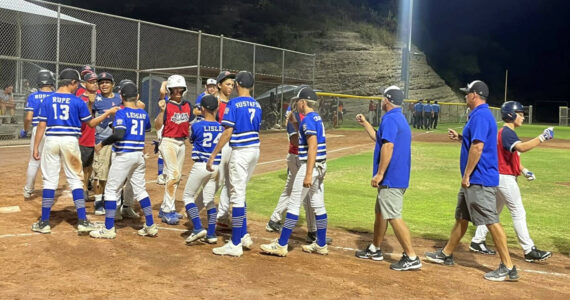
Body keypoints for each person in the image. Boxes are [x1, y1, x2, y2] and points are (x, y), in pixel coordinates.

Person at [425, 80, 519, 282]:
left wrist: (467, 175)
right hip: (474, 179)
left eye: (467, 93)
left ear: (475, 95)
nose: (465, 96)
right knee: (462, 217)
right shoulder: (478, 115)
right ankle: (446, 254)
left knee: (491, 221)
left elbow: (478, 148)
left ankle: (508, 266)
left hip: (479, 179)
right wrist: (461, 137)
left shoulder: (481, 115)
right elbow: (475, 141)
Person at [30, 68, 118, 234]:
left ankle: (44, 222)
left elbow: (41, 126)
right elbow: (91, 124)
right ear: (71, 83)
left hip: (51, 141)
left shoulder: (47, 100)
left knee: (49, 180)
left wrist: (36, 147)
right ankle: (83, 221)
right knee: (76, 180)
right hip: (70, 142)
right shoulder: (77, 101)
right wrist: (108, 113)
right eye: (76, 83)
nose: (77, 86)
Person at [469, 101, 553, 262]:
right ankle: (529, 250)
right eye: (520, 114)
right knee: (518, 212)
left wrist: (524, 170)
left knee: (493, 212)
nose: (522, 117)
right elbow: (521, 148)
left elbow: (511, 156)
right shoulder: (507, 132)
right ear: (511, 115)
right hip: (505, 178)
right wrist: (542, 137)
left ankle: (477, 241)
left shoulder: (504, 132)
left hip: (500, 176)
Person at [353, 86, 422, 271]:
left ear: (386, 100)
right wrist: (366, 123)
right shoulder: (398, 118)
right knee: (381, 213)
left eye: (383, 98)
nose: (381, 101)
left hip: (391, 178)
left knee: (393, 216)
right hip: (396, 177)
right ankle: (375, 248)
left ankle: (412, 256)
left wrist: (380, 174)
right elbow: (380, 138)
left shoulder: (390, 119)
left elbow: (388, 147)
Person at [260, 86, 329, 257]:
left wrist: (307, 174)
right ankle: (320, 244)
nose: (296, 104)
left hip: (310, 167)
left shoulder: (308, 120)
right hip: (320, 166)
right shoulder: (316, 118)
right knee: (318, 204)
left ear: (303, 102)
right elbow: (306, 139)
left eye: (298, 101)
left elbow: (312, 146)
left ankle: (281, 244)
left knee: (294, 203)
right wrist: (294, 123)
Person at [89, 82, 158, 239]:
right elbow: (147, 127)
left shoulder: (121, 112)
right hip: (138, 156)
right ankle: (150, 225)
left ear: (121, 97)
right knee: (140, 190)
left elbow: (119, 134)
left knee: (111, 190)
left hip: (124, 155)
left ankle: (108, 229)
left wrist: (102, 143)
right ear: (137, 97)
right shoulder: (143, 113)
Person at [207, 71, 261, 257]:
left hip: (241, 151)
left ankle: (235, 243)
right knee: (240, 191)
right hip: (255, 150)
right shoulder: (257, 103)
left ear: (237, 84)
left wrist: (214, 154)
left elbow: (228, 131)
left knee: (236, 195)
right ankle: (243, 233)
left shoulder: (234, 103)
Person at [195, 71, 235, 228]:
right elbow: (200, 114)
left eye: (232, 84)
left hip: (230, 146)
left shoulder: (232, 103)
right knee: (214, 181)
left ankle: (223, 215)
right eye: (227, 84)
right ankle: (194, 209)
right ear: (219, 85)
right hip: (217, 146)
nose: (231, 87)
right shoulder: (215, 102)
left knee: (229, 182)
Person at [181, 95, 223, 245]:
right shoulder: (221, 127)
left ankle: (198, 228)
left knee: (187, 197)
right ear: (217, 108)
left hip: (201, 165)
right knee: (209, 201)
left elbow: (191, 139)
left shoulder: (196, 126)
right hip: (216, 167)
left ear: (202, 109)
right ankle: (211, 234)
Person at [155, 75, 193, 225]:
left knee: (176, 178)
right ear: (170, 90)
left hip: (181, 144)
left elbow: (188, 122)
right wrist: (161, 111)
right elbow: (157, 125)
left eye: (180, 89)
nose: (177, 91)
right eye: (174, 89)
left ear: (184, 89)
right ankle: (166, 211)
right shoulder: (166, 105)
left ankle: (167, 207)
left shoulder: (187, 105)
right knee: (173, 175)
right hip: (168, 142)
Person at [92, 72, 122, 216]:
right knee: (100, 174)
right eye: (101, 82)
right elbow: (90, 122)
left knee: (117, 174)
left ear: (113, 84)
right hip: (101, 141)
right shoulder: (95, 100)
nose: (104, 84)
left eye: (107, 82)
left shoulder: (119, 98)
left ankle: (117, 201)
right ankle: (98, 202)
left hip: (118, 142)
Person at [23, 70, 56, 199]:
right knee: (51, 162)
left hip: (38, 130)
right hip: (53, 130)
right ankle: (49, 190)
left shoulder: (33, 96)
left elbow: (28, 118)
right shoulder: (56, 96)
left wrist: (25, 130)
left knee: (34, 161)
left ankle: (28, 189)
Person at [77, 72, 101, 202]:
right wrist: (90, 105)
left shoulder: (102, 98)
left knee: (95, 165)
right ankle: (84, 187)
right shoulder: (80, 99)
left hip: (99, 136)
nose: (95, 84)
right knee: (85, 165)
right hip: (85, 135)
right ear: (84, 84)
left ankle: (91, 188)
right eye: (91, 82)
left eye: (96, 82)